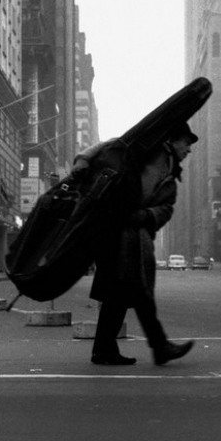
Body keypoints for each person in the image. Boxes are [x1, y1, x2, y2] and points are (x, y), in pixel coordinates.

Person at [71, 121, 199, 367]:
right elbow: (110, 144)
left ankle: (107, 350)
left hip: (132, 236)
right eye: (186, 142)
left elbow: (165, 208)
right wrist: (83, 160)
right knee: (130, 292)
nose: (189, 149)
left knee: (119, 294)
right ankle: (157, 346)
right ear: (172, 140)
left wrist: (147, 216)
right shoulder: (148, 149)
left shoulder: (170, 170)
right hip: (116, 232)